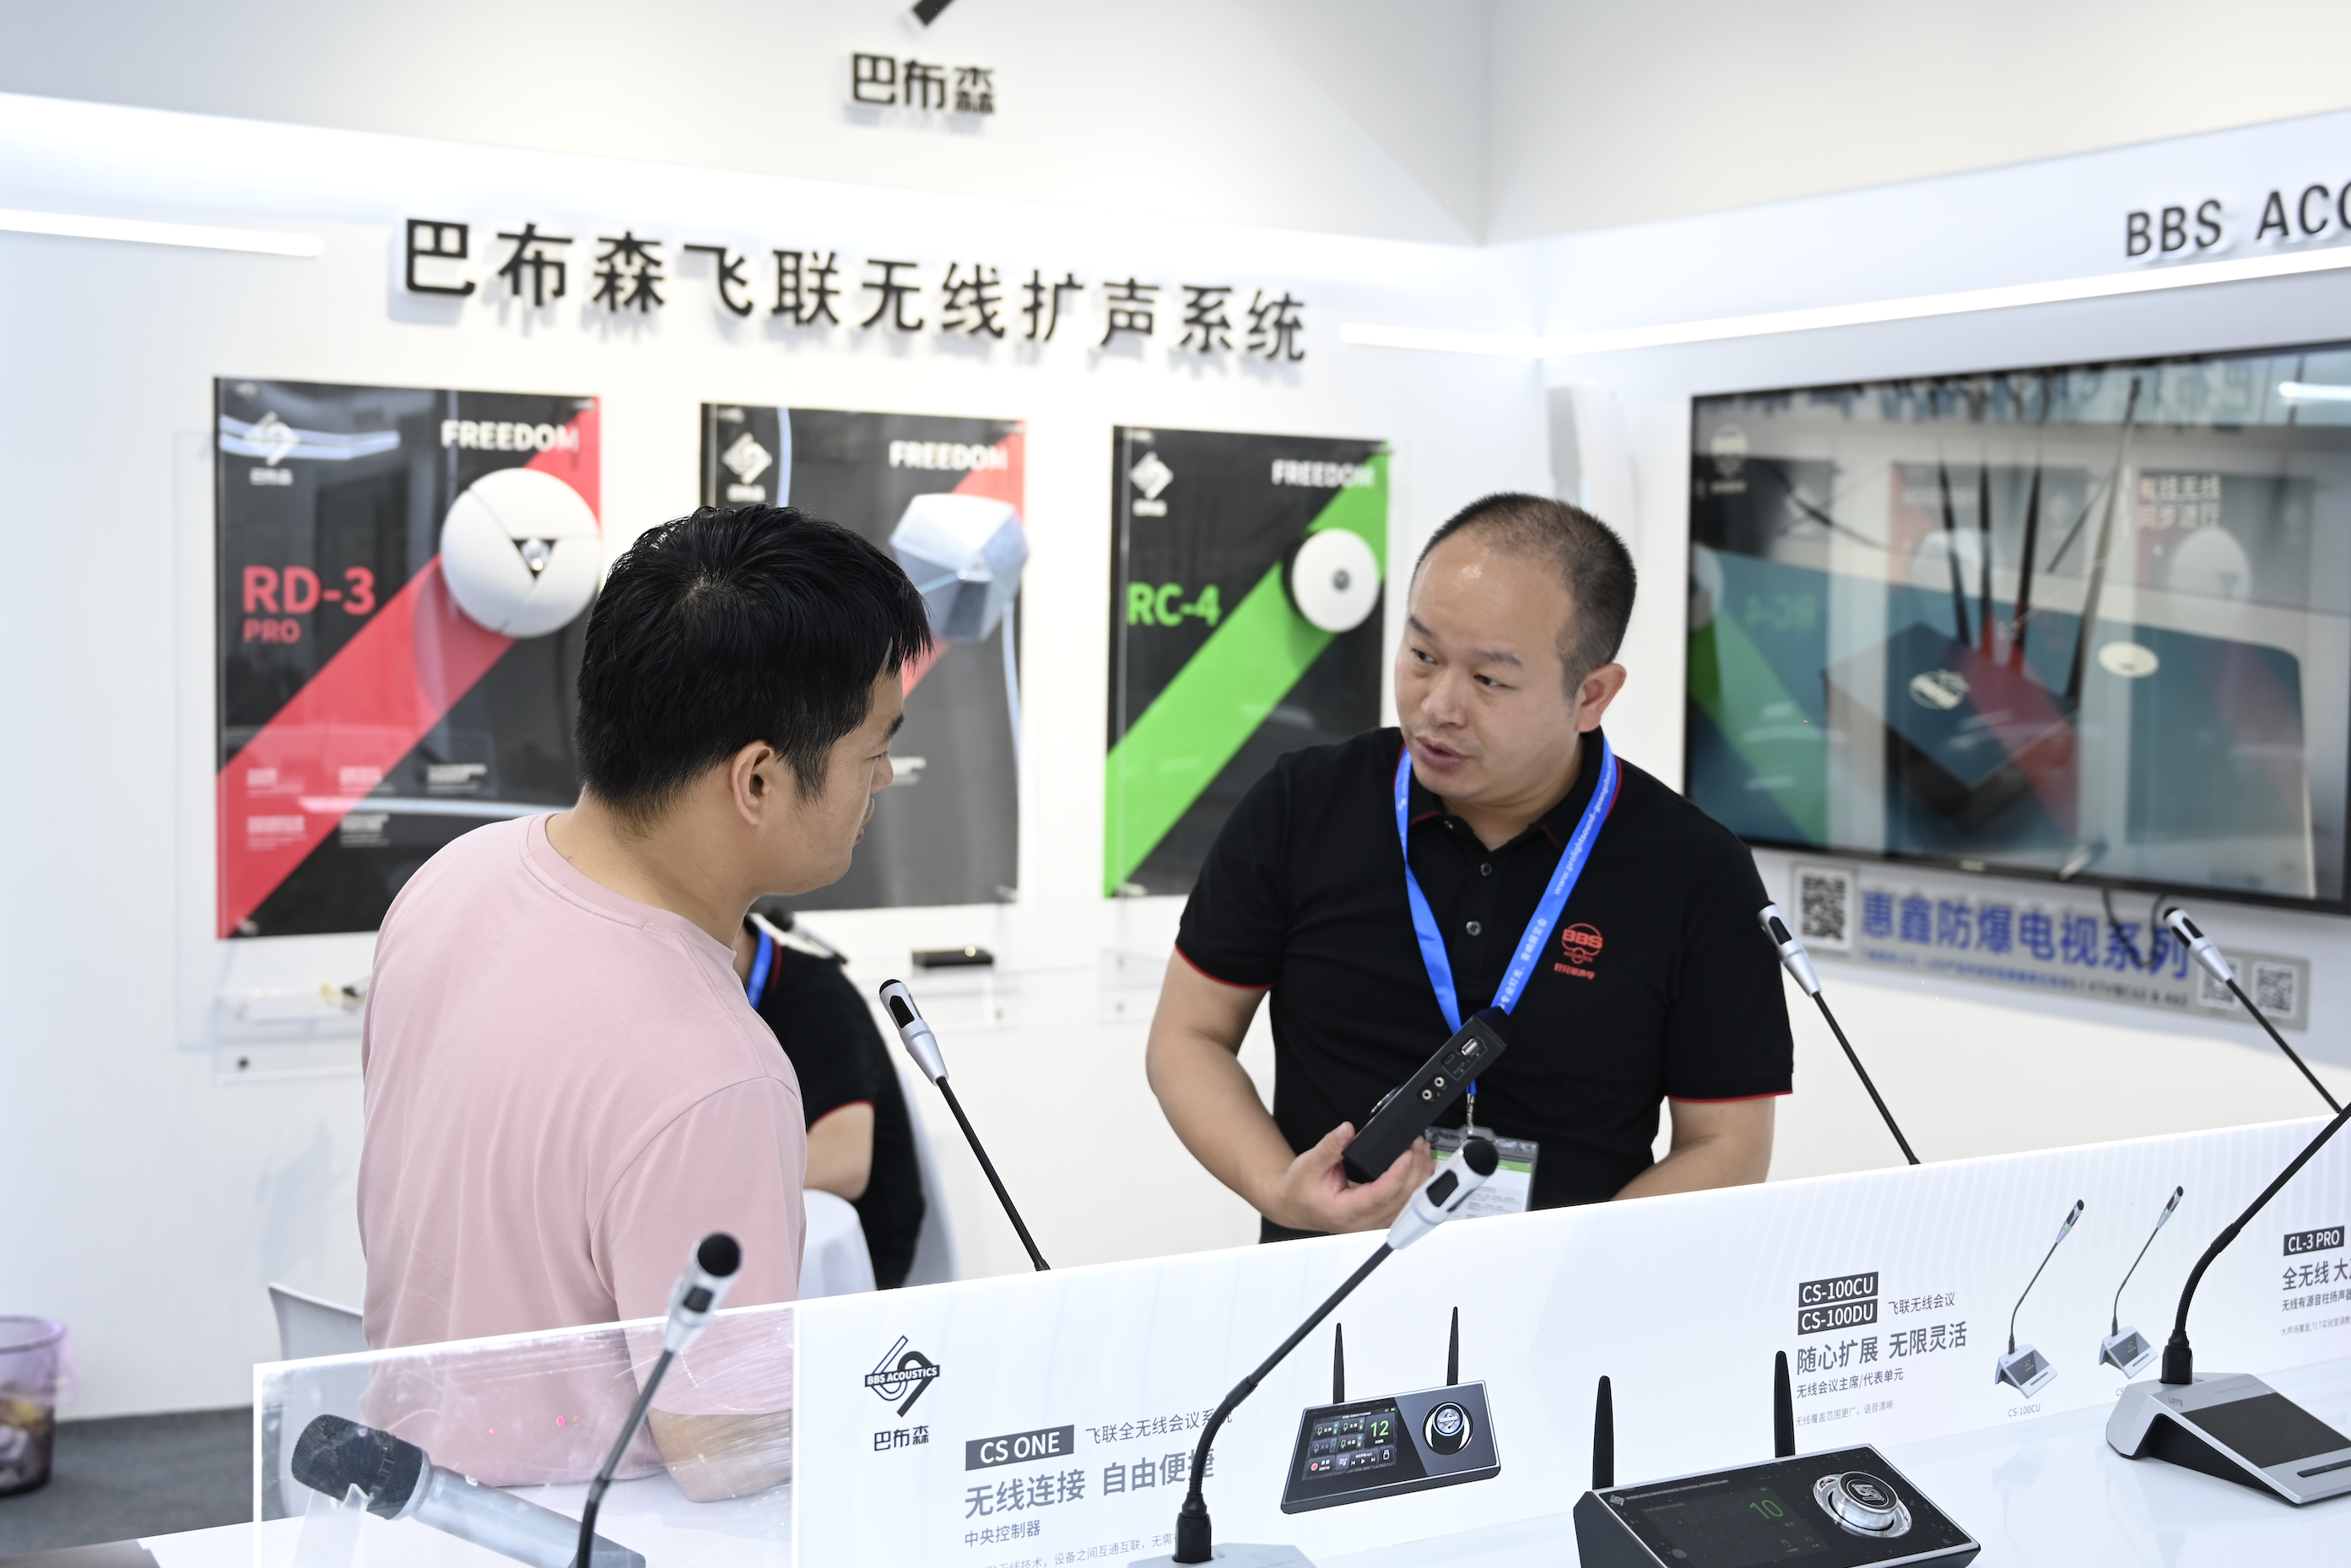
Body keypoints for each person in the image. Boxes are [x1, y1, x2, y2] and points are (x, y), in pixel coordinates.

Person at [357, 504, 930, 1492]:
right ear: (758, 779)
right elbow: (726, 1451)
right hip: (591, 1531)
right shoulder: (717, 1072)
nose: (882, 779)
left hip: (407, 1500)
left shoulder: (454, 878)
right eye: (871, 749)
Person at [1146, 493, 1791, 1241]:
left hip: (1577, 1301)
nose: (1439, 706)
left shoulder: (1694, 870)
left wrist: (1564, 1274)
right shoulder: (1303, 806)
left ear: (1591, 695)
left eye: (1489, 680)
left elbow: (1726, 1143)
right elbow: (1189, 1036)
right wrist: (1281, 1192)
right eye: (1423, 656)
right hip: (1329, 1285)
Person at [733, 897, 927, 1288]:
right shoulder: (695, 1003)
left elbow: (844, 1165)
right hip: (771, 1233)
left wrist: (708, 1176)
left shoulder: (817, 996)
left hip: (854, 1257)